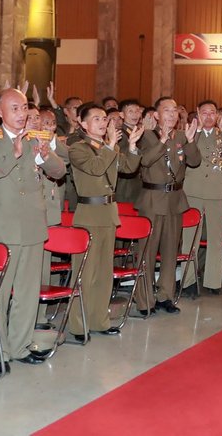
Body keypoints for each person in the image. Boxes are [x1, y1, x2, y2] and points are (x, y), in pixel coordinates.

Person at [0, 88, 66, 372]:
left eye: (24, 107)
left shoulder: (36, 138)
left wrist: (45, 154)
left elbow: (60, 172)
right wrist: (13, 154)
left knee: (27, 294)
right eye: (13, 108)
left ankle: (21, 345)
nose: (21, 113)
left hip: (32, 226)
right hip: (2, 228)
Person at [66, 103, 141, 338]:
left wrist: (131, 146)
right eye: (96, 119)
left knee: (104, 273)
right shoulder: (78, 148)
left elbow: (128, 167)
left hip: (108, 213)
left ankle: (99, 320)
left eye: (104, 118)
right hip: (89, 213)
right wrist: (111, 145)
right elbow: (96, 168)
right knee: (85, 273)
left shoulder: (110, 147)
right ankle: (78, 324)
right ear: (83, 123)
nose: (102, 122)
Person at [133, 97, 201, 316]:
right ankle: (145, 300)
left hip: (174, 200)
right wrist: (161, 142)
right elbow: (144, 162)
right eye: (167, 110)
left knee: (171, 253)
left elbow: (195, 161)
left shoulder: (182, 136)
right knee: (147, 252)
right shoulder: (145, 136)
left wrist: (190, 142)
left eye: (175, 111)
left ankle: (166, 296)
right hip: (153, 199)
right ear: (156, 115)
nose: (172, 115)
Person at [183, 99, 222, 296]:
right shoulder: (190, 132)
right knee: (191, 237)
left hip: (217, 191)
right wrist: (196, 131)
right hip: (194, 189)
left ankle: (213, 282)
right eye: (204, 112)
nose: (208, 116)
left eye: (212, 113)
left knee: (216, 238)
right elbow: (189, 153)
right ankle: (188, 281)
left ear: (218, 115)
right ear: (197, 113)